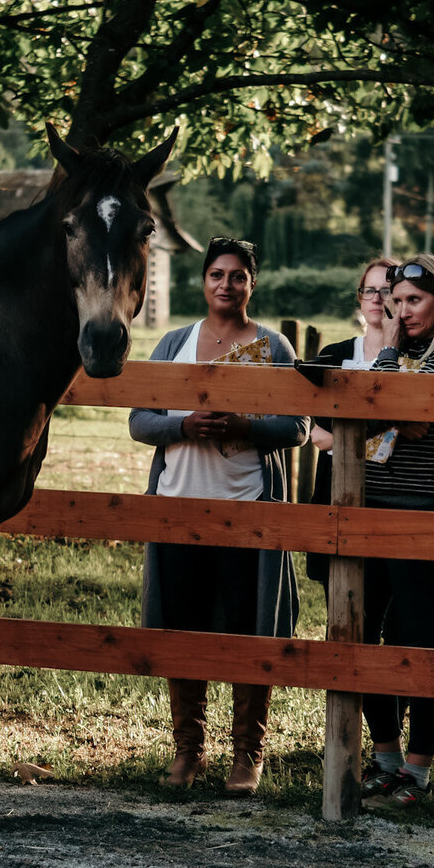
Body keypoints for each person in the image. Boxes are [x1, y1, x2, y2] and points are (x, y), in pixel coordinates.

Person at [129, 236, 308, 795]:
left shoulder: (272, 346)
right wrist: (182, 427)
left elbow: (298, 427)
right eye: (216, 275)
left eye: (237, 276)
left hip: (248, 509)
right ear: (202, 281)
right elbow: (139, 420)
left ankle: (247, 753)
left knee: (247, 630)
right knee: (182, 629)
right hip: (178, 507)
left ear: (251, 284)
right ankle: (188, 750)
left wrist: (242, 426)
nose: (225, 285)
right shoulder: (174, 343)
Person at [349, 254, 434, 809]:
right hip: (374, 506)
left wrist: (381, 356)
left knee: (421, 639)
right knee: (361, 636)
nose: (401, 312)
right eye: (395, 301)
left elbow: (397, 409)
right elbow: (381, 412)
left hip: (424, 512)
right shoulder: (410, 356)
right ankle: (384, 758)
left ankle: (418, 770)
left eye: (413, 301)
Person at [302, 257, 396, 589]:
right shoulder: (334, 354)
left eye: (386, 290)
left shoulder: (414, 361)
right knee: (339, 591)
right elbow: (308, 421)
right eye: (368, 290)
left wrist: (338, 438)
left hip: (388, 494)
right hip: (334, 490)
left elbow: (410, 426)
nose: (376, 298)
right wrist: (316, 432)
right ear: (359, 297)